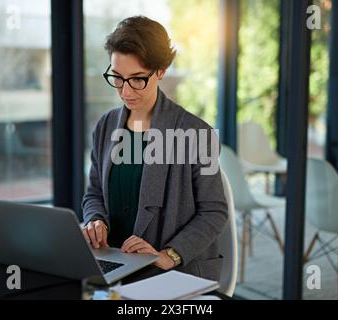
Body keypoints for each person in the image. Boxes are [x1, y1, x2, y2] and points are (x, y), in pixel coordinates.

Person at [82, 16, 228, 281]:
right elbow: (94, 192)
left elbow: (214, 212)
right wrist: (96, 219)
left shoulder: (198, 133)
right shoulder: (105, 126)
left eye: (137, 79)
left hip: (170, 273)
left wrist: (168, 255)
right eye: (117, 77)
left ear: (161, 70)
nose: (125, 91)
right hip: (113, 265)